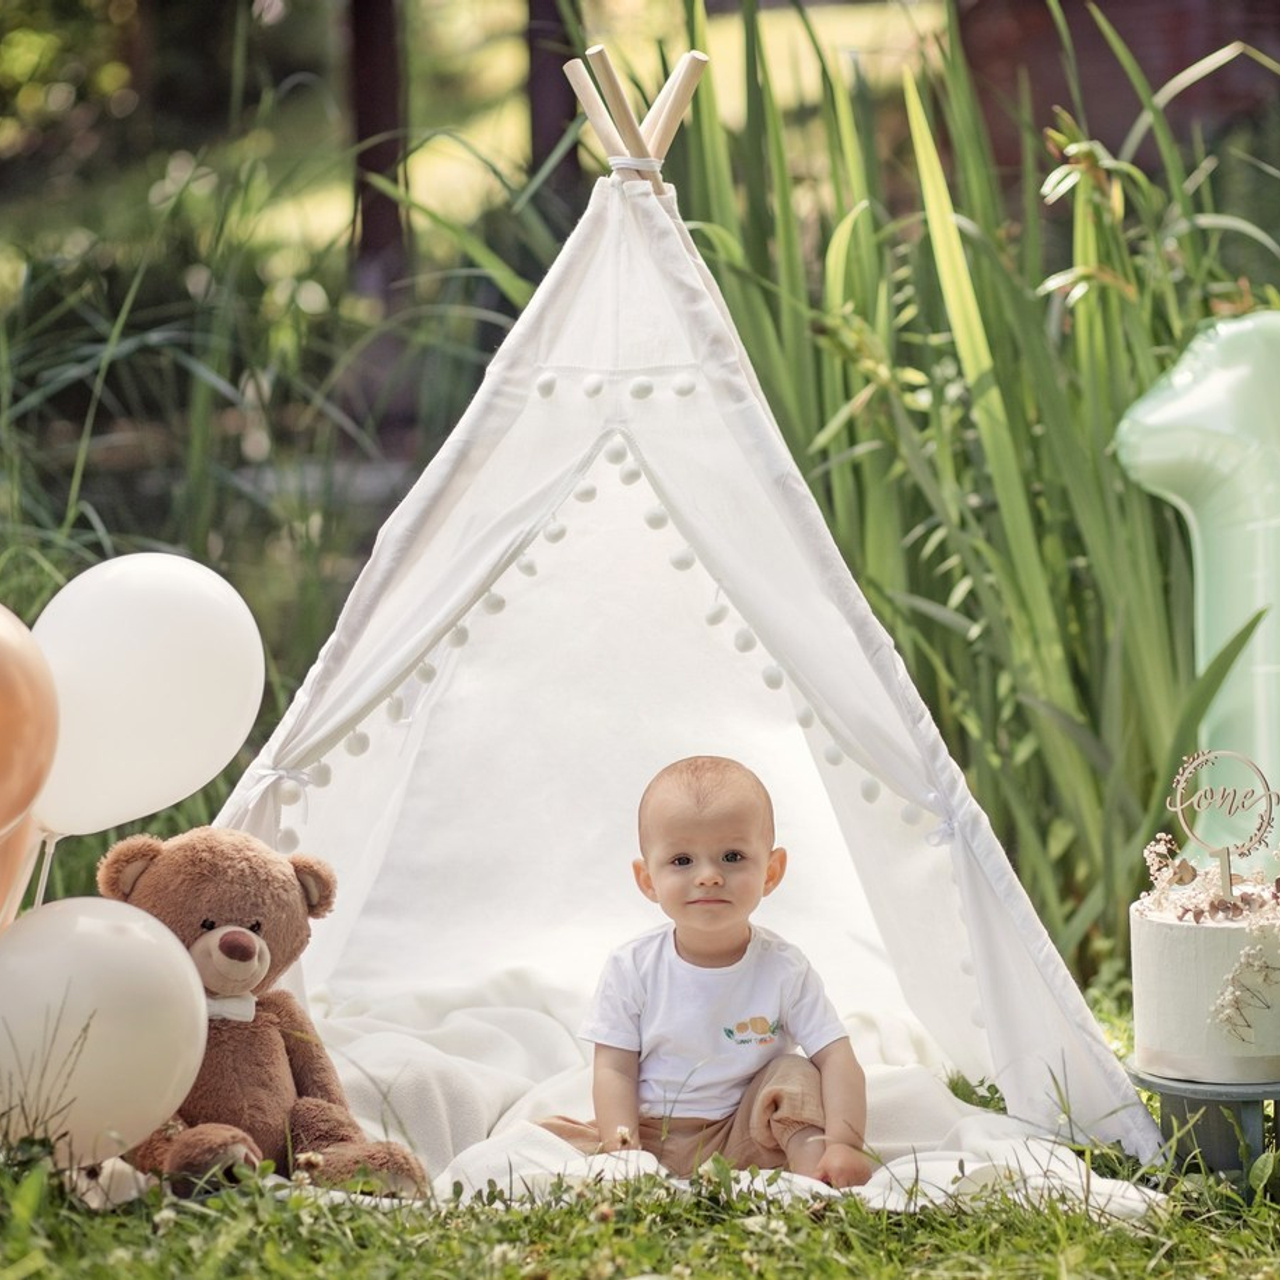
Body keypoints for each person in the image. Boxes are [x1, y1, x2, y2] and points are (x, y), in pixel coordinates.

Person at [541, 755, 873, 1187]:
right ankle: (631, 1169)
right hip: (651, 1133)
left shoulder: (784, 968)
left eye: (732, 856)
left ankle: (816, 1177)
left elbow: (838, 1058)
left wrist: (845, 1142)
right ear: (647, 880)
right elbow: (615, 1070)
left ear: (771, 872)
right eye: (682, 861)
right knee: (547, 1141)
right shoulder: (633, 967)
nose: (710, 876)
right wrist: (623, 1151)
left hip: (748, 1133)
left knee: (796, 1074)